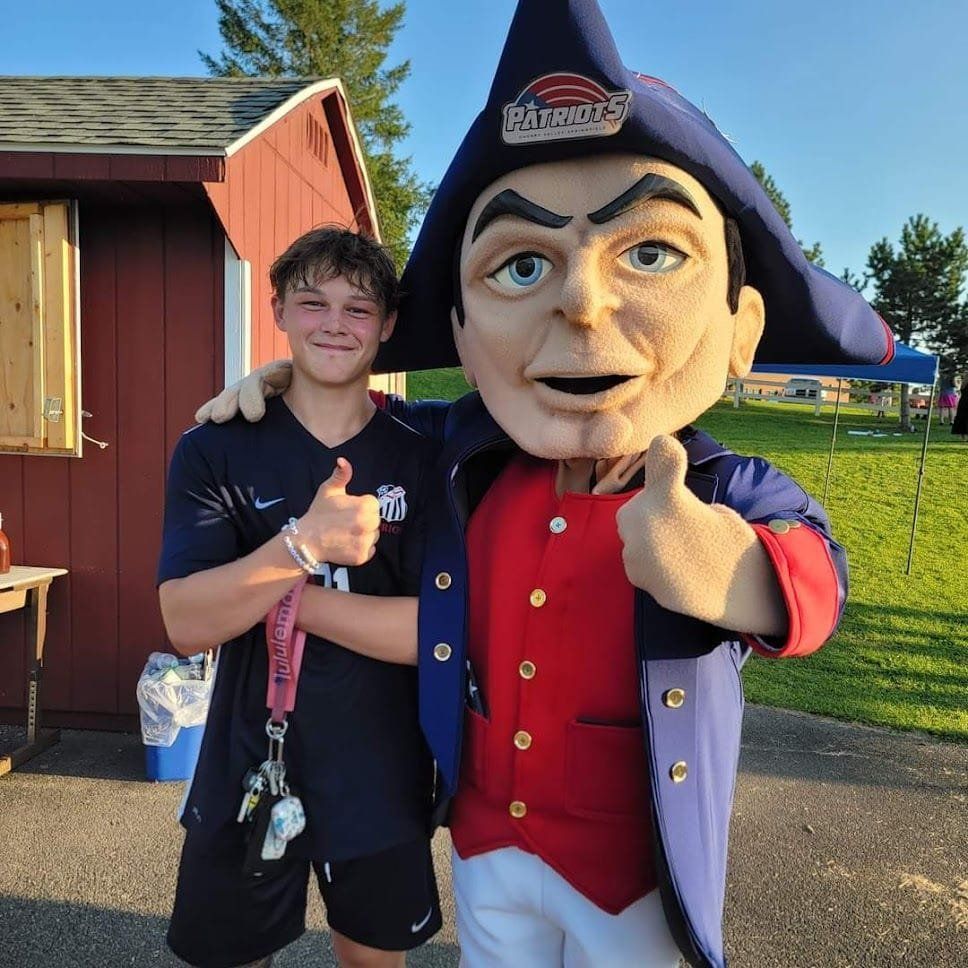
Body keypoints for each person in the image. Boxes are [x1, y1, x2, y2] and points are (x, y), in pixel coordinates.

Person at [196, 2, 895, 965]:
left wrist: (719, 561)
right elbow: (364, 413)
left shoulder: (727, 483)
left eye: (649, 253)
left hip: (633, 869)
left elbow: (817, 580)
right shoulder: (466, 452)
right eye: (523, 264)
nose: (580, 302)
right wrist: (283, 379)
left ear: (741, 327)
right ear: (465, 337)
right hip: (489, 844)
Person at [158, 227, 441, 968]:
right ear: (279, 309)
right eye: (313, 303)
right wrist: (303, 546)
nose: (335, 324)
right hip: (246, 763)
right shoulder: (215, 445)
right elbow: (187, 622)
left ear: (386, 324)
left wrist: (278, 597)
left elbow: (436, 634)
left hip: (381, 771)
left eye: (358, 308)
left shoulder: (427, 449)